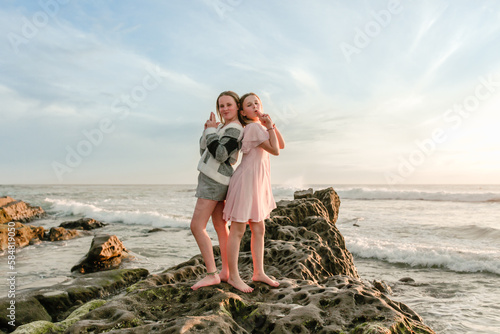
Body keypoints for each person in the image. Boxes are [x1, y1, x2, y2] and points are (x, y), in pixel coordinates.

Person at [223, 92, 285, 293]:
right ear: (243, 112)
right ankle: (233, 276)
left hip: (257, 183)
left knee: (259, 229)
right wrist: (268, 126)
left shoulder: (261, 127)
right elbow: (275, 151)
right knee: (238, 230)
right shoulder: (252, 128)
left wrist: (271, 124)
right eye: (250, 105)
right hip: (246, 182)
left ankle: (259, 272)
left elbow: (281, 145)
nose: (255, 106)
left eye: (257, 102)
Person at [190, 91, 244, 290]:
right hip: (212, 178)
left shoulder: (235, 129)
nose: (225, 109)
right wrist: (208, 130)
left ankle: (212, 274)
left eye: (229, 104)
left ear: (237, 106)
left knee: (196, 226)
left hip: (213, 181)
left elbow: (220, 154)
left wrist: (212, 132)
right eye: (221, 106)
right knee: (221, 227)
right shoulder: (223, 127)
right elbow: (204, 151)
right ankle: (226, 272)